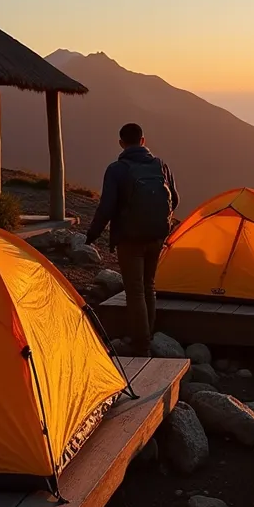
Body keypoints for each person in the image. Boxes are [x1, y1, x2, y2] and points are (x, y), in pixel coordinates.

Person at [85, 123, 179, 357]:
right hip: (156, 235)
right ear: (143, 141)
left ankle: (141, 344)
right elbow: (174, 200)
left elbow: (106, 207)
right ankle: (148, 333)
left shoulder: (117, 169)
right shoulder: (161, 166)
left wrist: (92, 235)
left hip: (129, 238)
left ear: (121, 143)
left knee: (134, 290)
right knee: (149, 286)